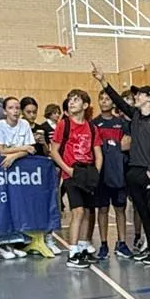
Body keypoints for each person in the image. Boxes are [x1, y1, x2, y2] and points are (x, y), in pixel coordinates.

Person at [118, 83, 150, 263]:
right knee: (143, 211)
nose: (136, 97)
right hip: (134, 171)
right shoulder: (136, 116)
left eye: (140, 94)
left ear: (149, 97)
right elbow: (121, 104)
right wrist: (103, 82)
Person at [53, 89, 102, 267]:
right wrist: (67, 169)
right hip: (71, 172)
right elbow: (54, 151)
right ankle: (73, 252)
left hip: (87, 171)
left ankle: (83, 247)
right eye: (70, 99)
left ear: (85, 105)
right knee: (78, 211)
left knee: (88, 211)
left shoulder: (91, 127)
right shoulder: (64, 125)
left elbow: (98, 152)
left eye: (76, 100)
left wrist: (96, 171)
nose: (71, 102)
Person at [92, 87, 131, 260]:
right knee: (102, 209)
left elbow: (126, 145)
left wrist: (109, 145)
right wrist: (112, 145)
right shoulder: (93, 124)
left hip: (118, 173)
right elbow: (94, 148)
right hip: (101, 175)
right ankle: (103, 244)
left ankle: (122, 243)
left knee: (120, 209)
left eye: (108, 98)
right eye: (102, 98)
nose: (104, 101)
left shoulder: (122, 123)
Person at [0, 99, 37, 167]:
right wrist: (24, 148)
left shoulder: (25, 123)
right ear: (4, 111)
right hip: (2, 162)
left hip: (21, 162)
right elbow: (1, 151)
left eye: (17, 108)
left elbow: (30, 149)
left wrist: (14, 156)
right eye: (10, 108)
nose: (15, 111)